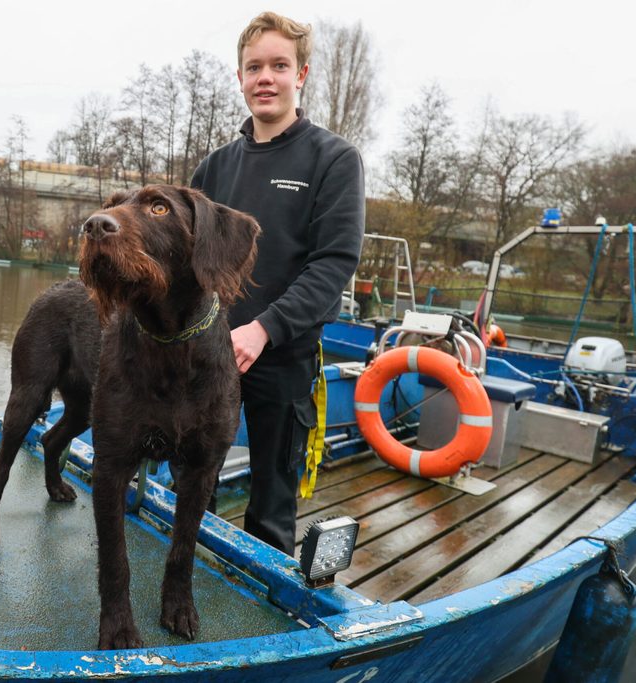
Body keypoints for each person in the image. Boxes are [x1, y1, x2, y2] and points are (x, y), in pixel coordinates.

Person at [190, 11, 365, 556]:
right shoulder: (214, 169)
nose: (266, 77)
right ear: (241, 78)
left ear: (302, 75)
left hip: (282, 359)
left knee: (271, 503)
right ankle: (180, 580)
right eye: (254, 67)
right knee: (193, 481)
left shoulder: (334, 159)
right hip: (205, 356)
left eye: (279, 65)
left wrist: (263, 330)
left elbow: (333, 265)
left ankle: (260, 620)